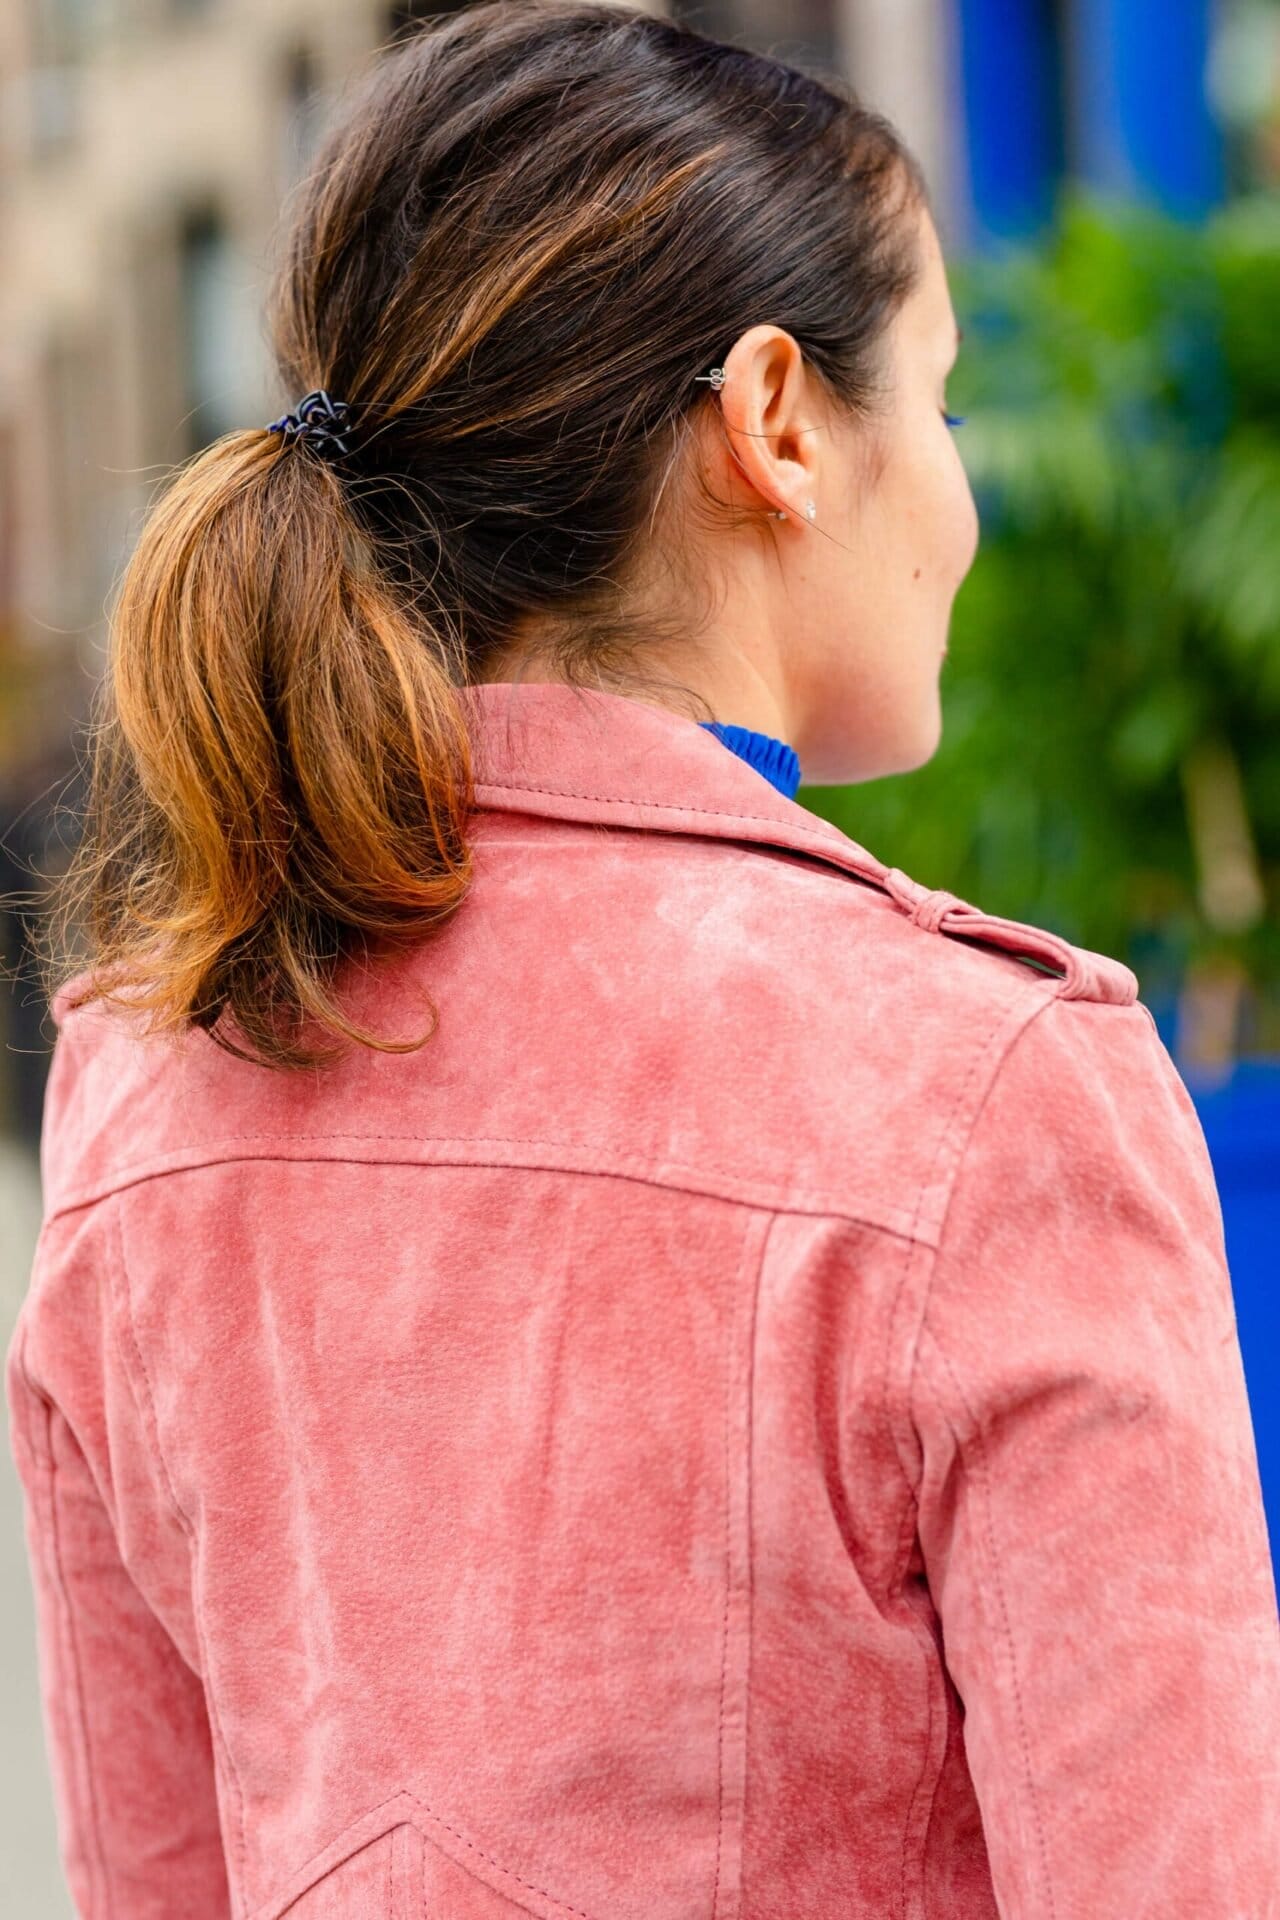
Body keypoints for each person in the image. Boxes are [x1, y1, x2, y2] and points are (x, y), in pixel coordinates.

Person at [6, 3, 1278, 1915]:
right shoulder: (991, 1092)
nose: (964, 493)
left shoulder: (151, 1080)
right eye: (934, 400)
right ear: (777, 422)